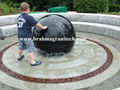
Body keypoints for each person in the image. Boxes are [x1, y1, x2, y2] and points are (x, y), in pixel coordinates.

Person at [17, 2, 47, 66]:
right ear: (27, 9)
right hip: (26, 36)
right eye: (29, 9)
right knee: (30, 48)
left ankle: (19, 57)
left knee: (21, 46)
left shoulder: (19, 17)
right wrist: (43, 27)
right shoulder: (29, 17)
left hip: (20, 35)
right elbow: (36, 24)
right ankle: (33, 62)